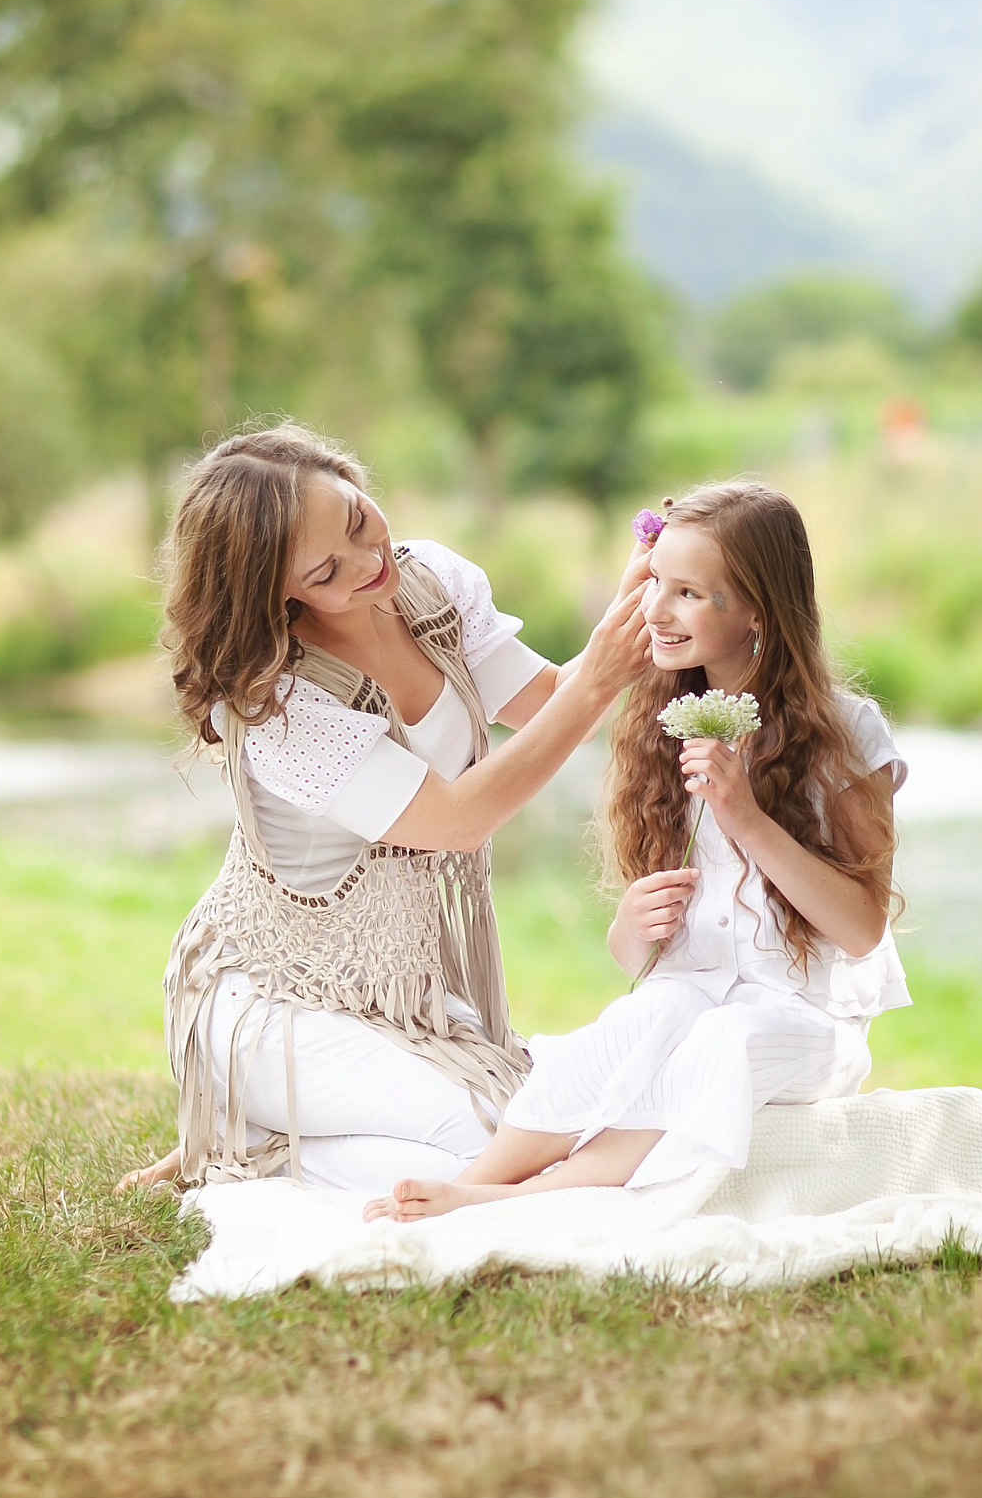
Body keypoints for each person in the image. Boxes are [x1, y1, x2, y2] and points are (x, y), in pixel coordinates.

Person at [118, 424, 651, 1194]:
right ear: (277, 591)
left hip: (399, 996)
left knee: (551, 1120)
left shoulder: (432, 583)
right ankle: (256, 1145)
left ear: (354, 478)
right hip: (268, 999)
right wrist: (599, 678)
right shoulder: (277, 700)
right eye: (326, 569)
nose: (368, 562)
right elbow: (459, 820)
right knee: (489, 1144)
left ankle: (272, 1134)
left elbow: (548, 705)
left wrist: (642, 594)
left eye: (359, 519)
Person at [366, 480, 905, 1220]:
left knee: (724, 1033)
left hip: (805, 1025)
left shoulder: (846, 733)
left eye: (689, 593)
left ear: (758, 610)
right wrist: (631, 925)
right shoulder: (662, 726)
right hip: (697, 997)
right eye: (655, 582)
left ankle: (504, 1198)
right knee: (643, 1016)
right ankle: (482, 1174)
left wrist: (748, 820)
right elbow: (640, 963)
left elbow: (864, 929)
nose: (655, 610)